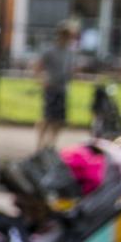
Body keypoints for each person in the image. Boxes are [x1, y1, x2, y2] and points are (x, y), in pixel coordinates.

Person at [35, 20, 77, 154]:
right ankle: (40, 145)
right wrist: (42, 80)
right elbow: (38, 66)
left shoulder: (70, 53)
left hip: (62, 88)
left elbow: (71, 69)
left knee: (59, 120)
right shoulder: (50, 51)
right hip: (51, 88)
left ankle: (51, 144)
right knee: (47, 117)